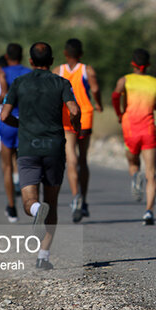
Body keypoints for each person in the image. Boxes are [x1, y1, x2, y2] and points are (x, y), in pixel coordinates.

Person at [0, 42, 81, 270]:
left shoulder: (19, 83)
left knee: (29, 201)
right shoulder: (61, 82)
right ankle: (43, 256)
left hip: (28, 149)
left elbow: (4, 115)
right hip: (54, 148)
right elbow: (74, 110)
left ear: (31, 61)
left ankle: (36, 210)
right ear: (52, 61)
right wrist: (77, 125)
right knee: (52, 202)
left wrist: (21, 125)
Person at [111, 49, 156, 225]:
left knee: (132, 162)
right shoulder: (155, 82)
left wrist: (119, 113)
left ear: (133, 64)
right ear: (147, 65)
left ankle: (134, 177)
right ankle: (149, 211)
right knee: (152, 174)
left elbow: (115, 95)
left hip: (129, 129)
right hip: (148, 130)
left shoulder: (125, 80)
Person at [55, 38, 103, 223]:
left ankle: (76, 198)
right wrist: (98, 103)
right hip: (85, 116)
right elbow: (96, 89)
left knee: (71, 160)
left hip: (66, 117)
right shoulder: (87, 70)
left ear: (66, 54)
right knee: (83, 159)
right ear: (81, 54)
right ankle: (83, 199)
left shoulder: (58, 71)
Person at [0, 43, 31, 223]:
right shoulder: (29, 72)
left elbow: (4, 93)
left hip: (8, 122)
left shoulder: (3, 72)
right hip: (26, 122)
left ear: (7, 57)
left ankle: (11, 207)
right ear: (22, 56)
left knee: (7, 167)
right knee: (25, 167)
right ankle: (30, 203)